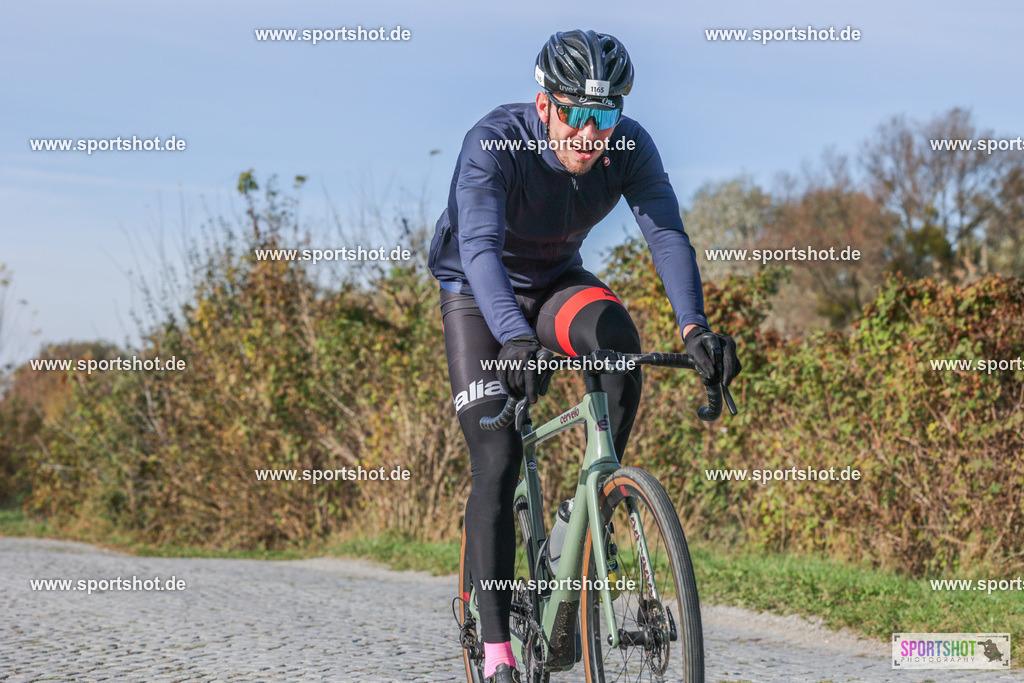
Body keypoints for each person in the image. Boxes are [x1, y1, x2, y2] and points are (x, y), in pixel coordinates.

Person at [429, 29, 741, 683]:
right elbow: (481, 249)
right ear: (544, 105)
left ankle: (587, 500)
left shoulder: (628, 146)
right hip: (479, 296)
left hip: (555, 285)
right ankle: (494, 654)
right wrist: (514, 337)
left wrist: (694, 330)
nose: (590, 131)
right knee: (498, 455)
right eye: (575, 112)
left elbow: (665, 232)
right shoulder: (493, 145)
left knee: (619, 342)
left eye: (606, 114)